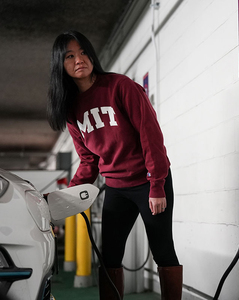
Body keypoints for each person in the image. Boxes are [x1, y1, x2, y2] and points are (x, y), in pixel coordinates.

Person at [47, 30, 182, 300]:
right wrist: (62, 203)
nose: (79, 60)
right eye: (70, 56)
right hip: (117, 188)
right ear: (60, 65)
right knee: (109, 255)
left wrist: (157, 185)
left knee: (163, 250)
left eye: (83, 52)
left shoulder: (121, 87)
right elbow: (88, 161)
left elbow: (150, 135)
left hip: (149, 183)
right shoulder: (71, 108)